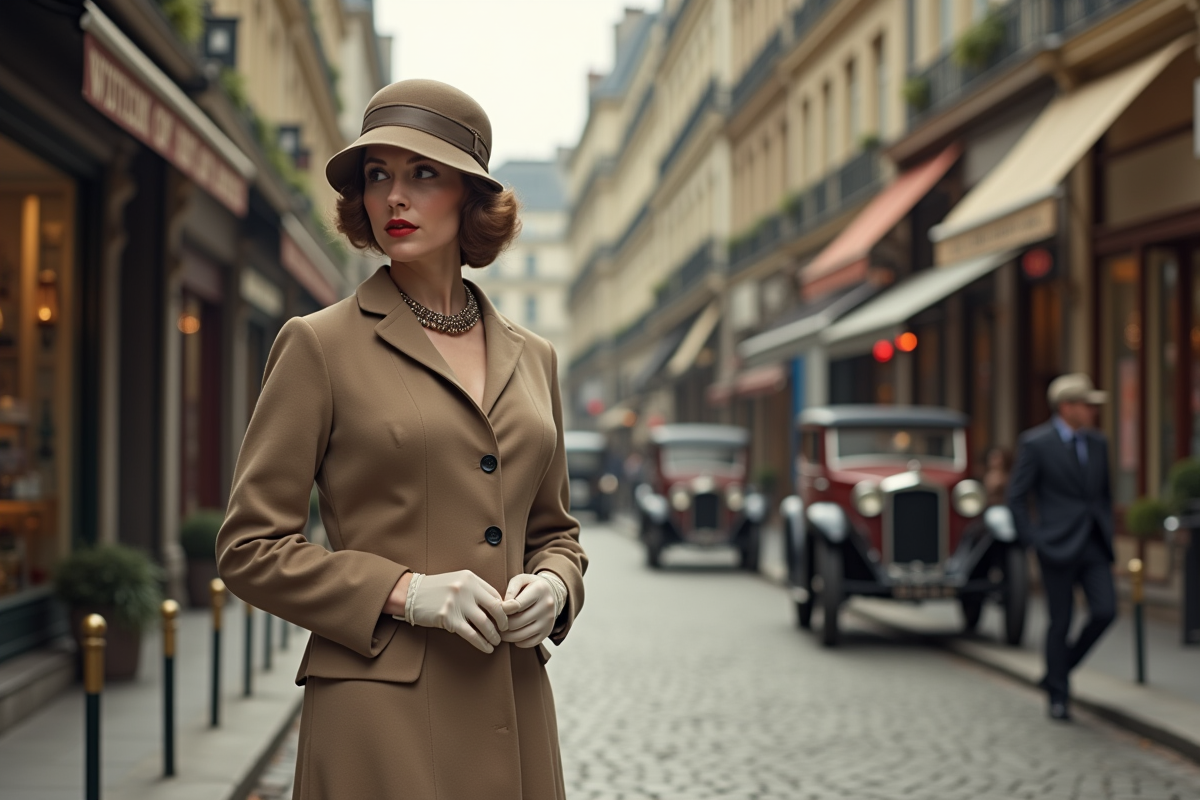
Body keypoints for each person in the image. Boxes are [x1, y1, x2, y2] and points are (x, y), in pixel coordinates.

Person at [216, 79, 587, 799]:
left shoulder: (534, 357)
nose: (393, 196)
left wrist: (555, 586)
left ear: (471, 198)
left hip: (513, 708)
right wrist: (404, 592)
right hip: (377, 720)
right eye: (378, 174)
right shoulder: (318, 346)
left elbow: (556, 531)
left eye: (423, 174)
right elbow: (249, 550)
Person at [1006, 373, 1115, 721]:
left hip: (1094, 544)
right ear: (1067, 407)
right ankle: (1059, 695)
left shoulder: (1098, 443)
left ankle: (1058, 670)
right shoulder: (1036, 443)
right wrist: (1033, 539)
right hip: (1055, 545)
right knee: (1060, 621)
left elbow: (1105, 494)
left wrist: (1107, 528)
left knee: (1105, 611)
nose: (1093, 412)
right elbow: (1017, 496)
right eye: (1087, 405)